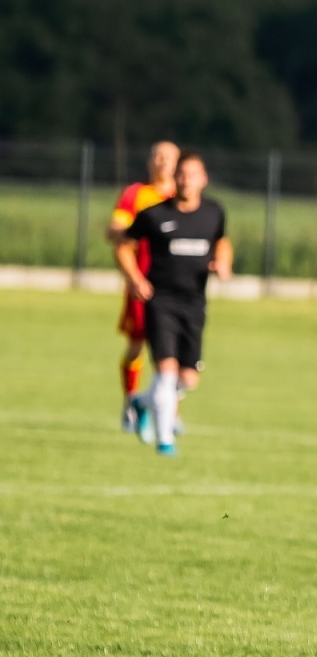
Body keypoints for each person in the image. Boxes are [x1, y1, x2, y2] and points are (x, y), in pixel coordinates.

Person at [115, 151, 232, 457]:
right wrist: (135, 278)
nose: (186, 180)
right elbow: (123, 246)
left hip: (195, 304)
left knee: (187, 379)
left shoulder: (213, 213)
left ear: (203, 179)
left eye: (193, 175)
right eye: (181, 175)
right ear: (174, 178)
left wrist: (223, 262)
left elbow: (221, 242)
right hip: (160, 302)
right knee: (166, 372)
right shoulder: (154, 215)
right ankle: (165, 440)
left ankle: (141, 402)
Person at [107, 140, 179, 431]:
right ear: (149, 161)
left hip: (175, 286)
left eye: (168, 157)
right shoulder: (136, 194)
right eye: (157, 156)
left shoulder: (182, 196)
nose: (162, 161)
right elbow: (115, 229)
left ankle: (169, 412)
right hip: (142, 282)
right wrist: (133, 231)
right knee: (137, 345)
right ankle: (131, 403)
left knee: (175, 355)